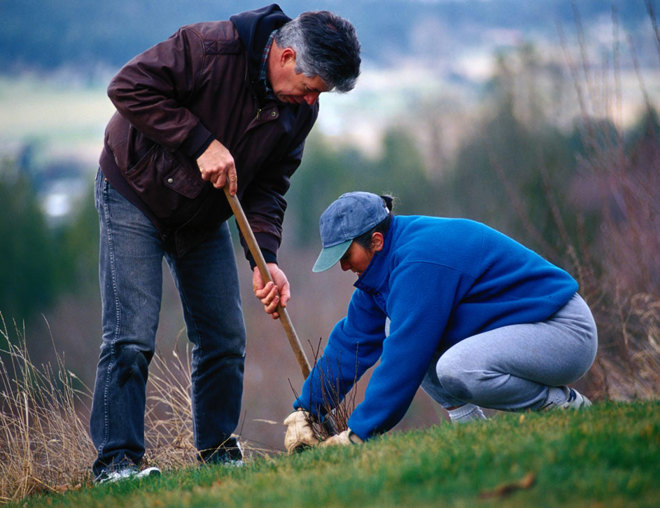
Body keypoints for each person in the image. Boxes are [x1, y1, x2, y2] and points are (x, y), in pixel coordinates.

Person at [89, 4, 360, 483]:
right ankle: (116, 463)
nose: (313, 100)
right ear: (287, 57)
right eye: (312, 87)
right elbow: (126, 87)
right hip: (135, 190)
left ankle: (216, 451)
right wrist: (199, 143)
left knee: (225, 338)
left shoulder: (299, 111)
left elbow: (271, 184)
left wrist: (266, 258)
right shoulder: (209, 48)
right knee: (130, 336)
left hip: (203, 213)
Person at [284, 191, 598, 451]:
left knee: (454, 365)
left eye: (345, 255)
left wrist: (356, 435)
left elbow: (403, 359)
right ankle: (469, 428)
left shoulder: (418, 261)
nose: (342, 267)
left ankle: (564, 406)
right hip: (527, 331)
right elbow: (352, 343)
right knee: (401, 327)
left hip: (563, 329)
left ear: (376, 241)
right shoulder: (383, 266)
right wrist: (306, 409)